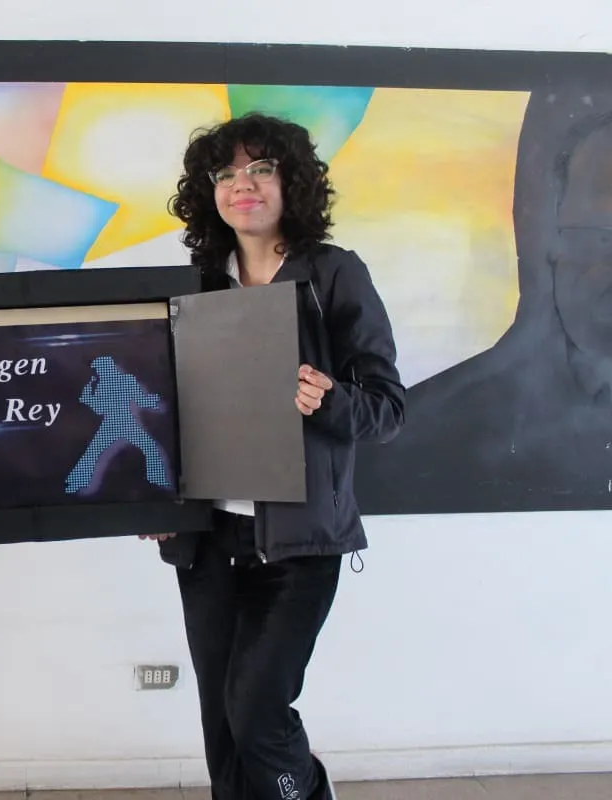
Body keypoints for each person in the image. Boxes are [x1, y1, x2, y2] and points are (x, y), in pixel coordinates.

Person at [150, 112, 405, 800]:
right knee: (222, 727)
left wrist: (331, 400)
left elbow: (388, 409)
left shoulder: (334, 274)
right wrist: (154, 500)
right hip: (207, 541)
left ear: (292, 182)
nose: (243, 184)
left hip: (300, 544)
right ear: (210, 191)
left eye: (261, 168)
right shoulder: (198, 284)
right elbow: (166, 410)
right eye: (227, 173)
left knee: (257, 714)